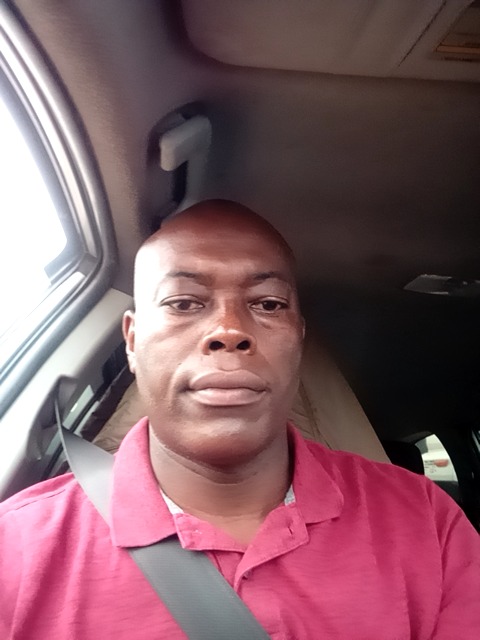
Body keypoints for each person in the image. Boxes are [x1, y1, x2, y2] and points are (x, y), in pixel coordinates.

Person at [1, 199, 479, 639]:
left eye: (268, 304)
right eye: (183, 303)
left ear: (298, 337)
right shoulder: (16, 549)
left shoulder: (426, 522)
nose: (229, 330)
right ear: (132, 340)